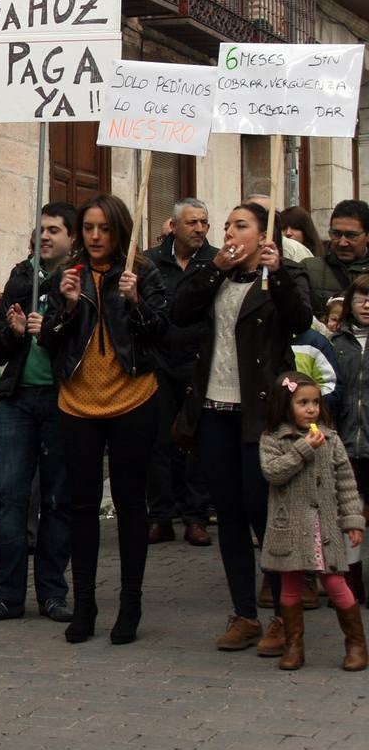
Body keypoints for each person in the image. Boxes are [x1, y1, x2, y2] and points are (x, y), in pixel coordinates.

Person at [173, 202, 313, 655]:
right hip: (214, 408)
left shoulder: (281, 277)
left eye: (241, 225)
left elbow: (298, 322)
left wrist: (281, 274)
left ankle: (281, 615)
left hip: (260, 414)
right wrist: (213, 268)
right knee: (229, 512)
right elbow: (180, 310)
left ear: (262, 234)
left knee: (261, 509)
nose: (230, 233)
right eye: (227, 225)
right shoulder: (215, 274)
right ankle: (245, 614)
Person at [38, 194, 168, 645]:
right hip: (78, 402)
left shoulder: (142, 272)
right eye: (89, 228)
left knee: (132, 503)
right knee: (81, 505)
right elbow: (49, 343)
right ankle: (86, 603)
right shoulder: (66, 276)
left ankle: (130, 604)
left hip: (132, 397)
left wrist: (134, 301)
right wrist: (69, 308)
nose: (95, 237)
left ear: (119, 232)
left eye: (104, 229)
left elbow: (161, 332)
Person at [0, 202, 75, 625]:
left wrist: (49, 328)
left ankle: (53, 592)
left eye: (54, 230)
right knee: (8, 499)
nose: (45, 236)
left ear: (71, 238)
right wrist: (11, 335)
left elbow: (83, 342)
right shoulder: (20, 276)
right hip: (16, 402)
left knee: (56, 500)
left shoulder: (77, 281)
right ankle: (7, 595)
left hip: (63, 401)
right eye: (40, 230)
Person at [259, 371, 366, 671]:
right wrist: (305, 448)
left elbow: (346, 483)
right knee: (290, 585)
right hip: (290, 529)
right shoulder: (273, 439)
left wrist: (353, 521)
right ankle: (294, 645)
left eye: (315, 403)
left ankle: (356, 643)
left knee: (335, 583)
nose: (311, 409)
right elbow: (274, 472)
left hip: (324, 529)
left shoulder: (331, 439)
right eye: (302, 402)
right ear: (285, 405)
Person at [144, 198, 216, 548]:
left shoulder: (215, 261)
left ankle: (196, 517)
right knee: (157, 439)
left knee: (195, 440)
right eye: (193, 223)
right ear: (173, 226)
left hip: (199, 362)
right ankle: (160, 516)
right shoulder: (149, 261)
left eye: (204, 222)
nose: (200, 229)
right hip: (157, 361)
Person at [326, 274, 369, 606]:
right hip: (345, 443)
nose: (366, 305)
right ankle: (351, 581)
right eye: (360, 298)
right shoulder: (336, 344)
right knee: (349, 515)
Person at [304, 199, 369, 317]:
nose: (342, 242)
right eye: (336, 234)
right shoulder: (308, 269)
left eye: (351, 235)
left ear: (367, 235)